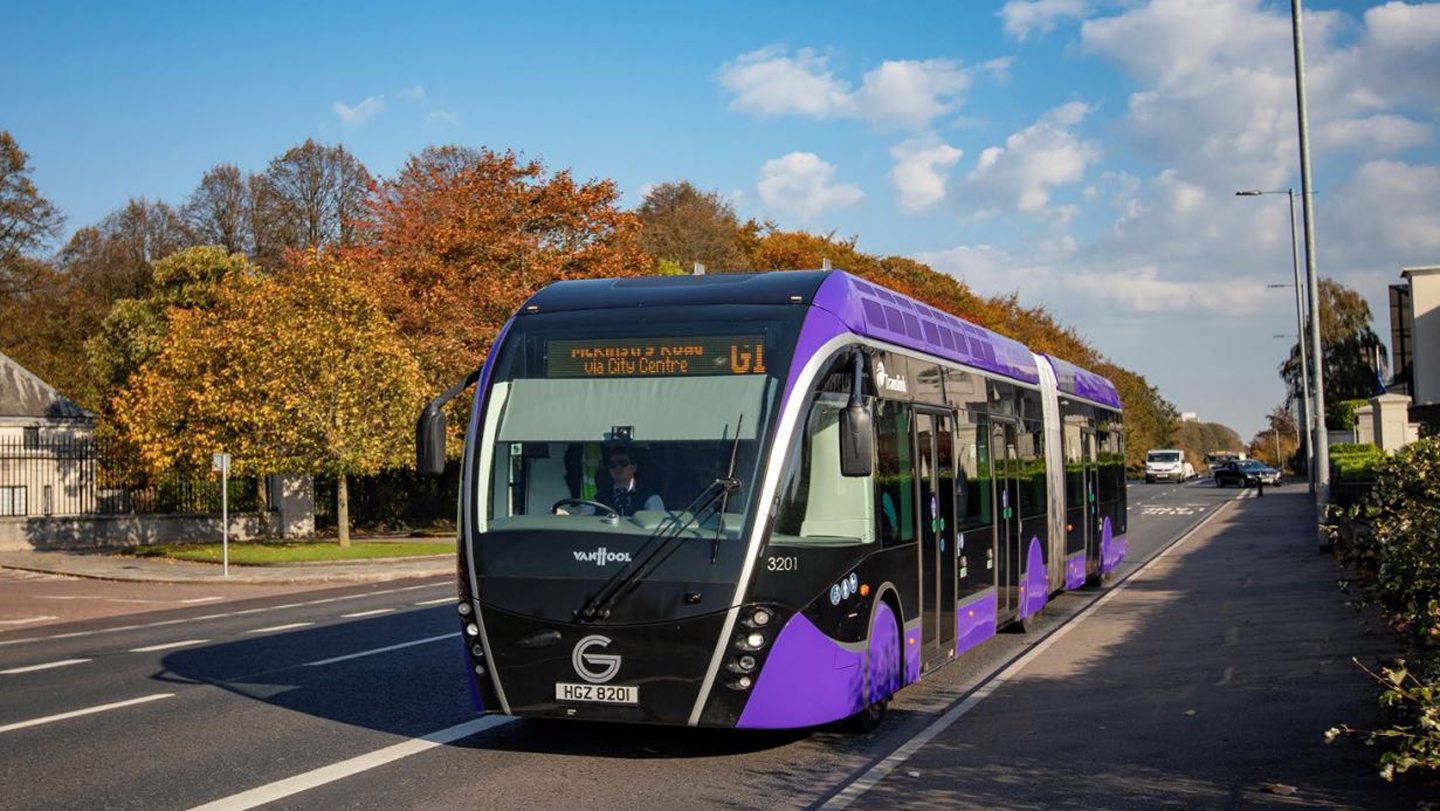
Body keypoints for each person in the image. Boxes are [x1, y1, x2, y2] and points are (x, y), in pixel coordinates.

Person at [597, 449, 664, 516]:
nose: (617, 468)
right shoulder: (599, 499)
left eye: (623, 463)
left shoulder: (651, 497)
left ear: (634, 468)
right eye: (612, 465)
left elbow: (655, 524)